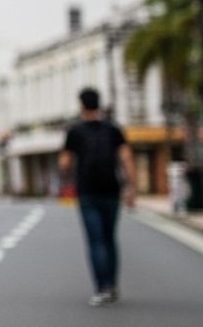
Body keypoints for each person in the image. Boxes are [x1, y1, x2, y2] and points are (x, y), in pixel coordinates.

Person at [59, 88, 136, 307]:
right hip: (111, 190)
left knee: (95, 240)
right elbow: (127, 158)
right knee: (110, 238)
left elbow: (64, 163)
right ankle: (113, 285)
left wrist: (65, 180)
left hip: (87, 191)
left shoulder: (75, 132)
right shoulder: (113, 130)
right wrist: (132, 188)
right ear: (99, 105)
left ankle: (102, 288)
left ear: (81, 106)